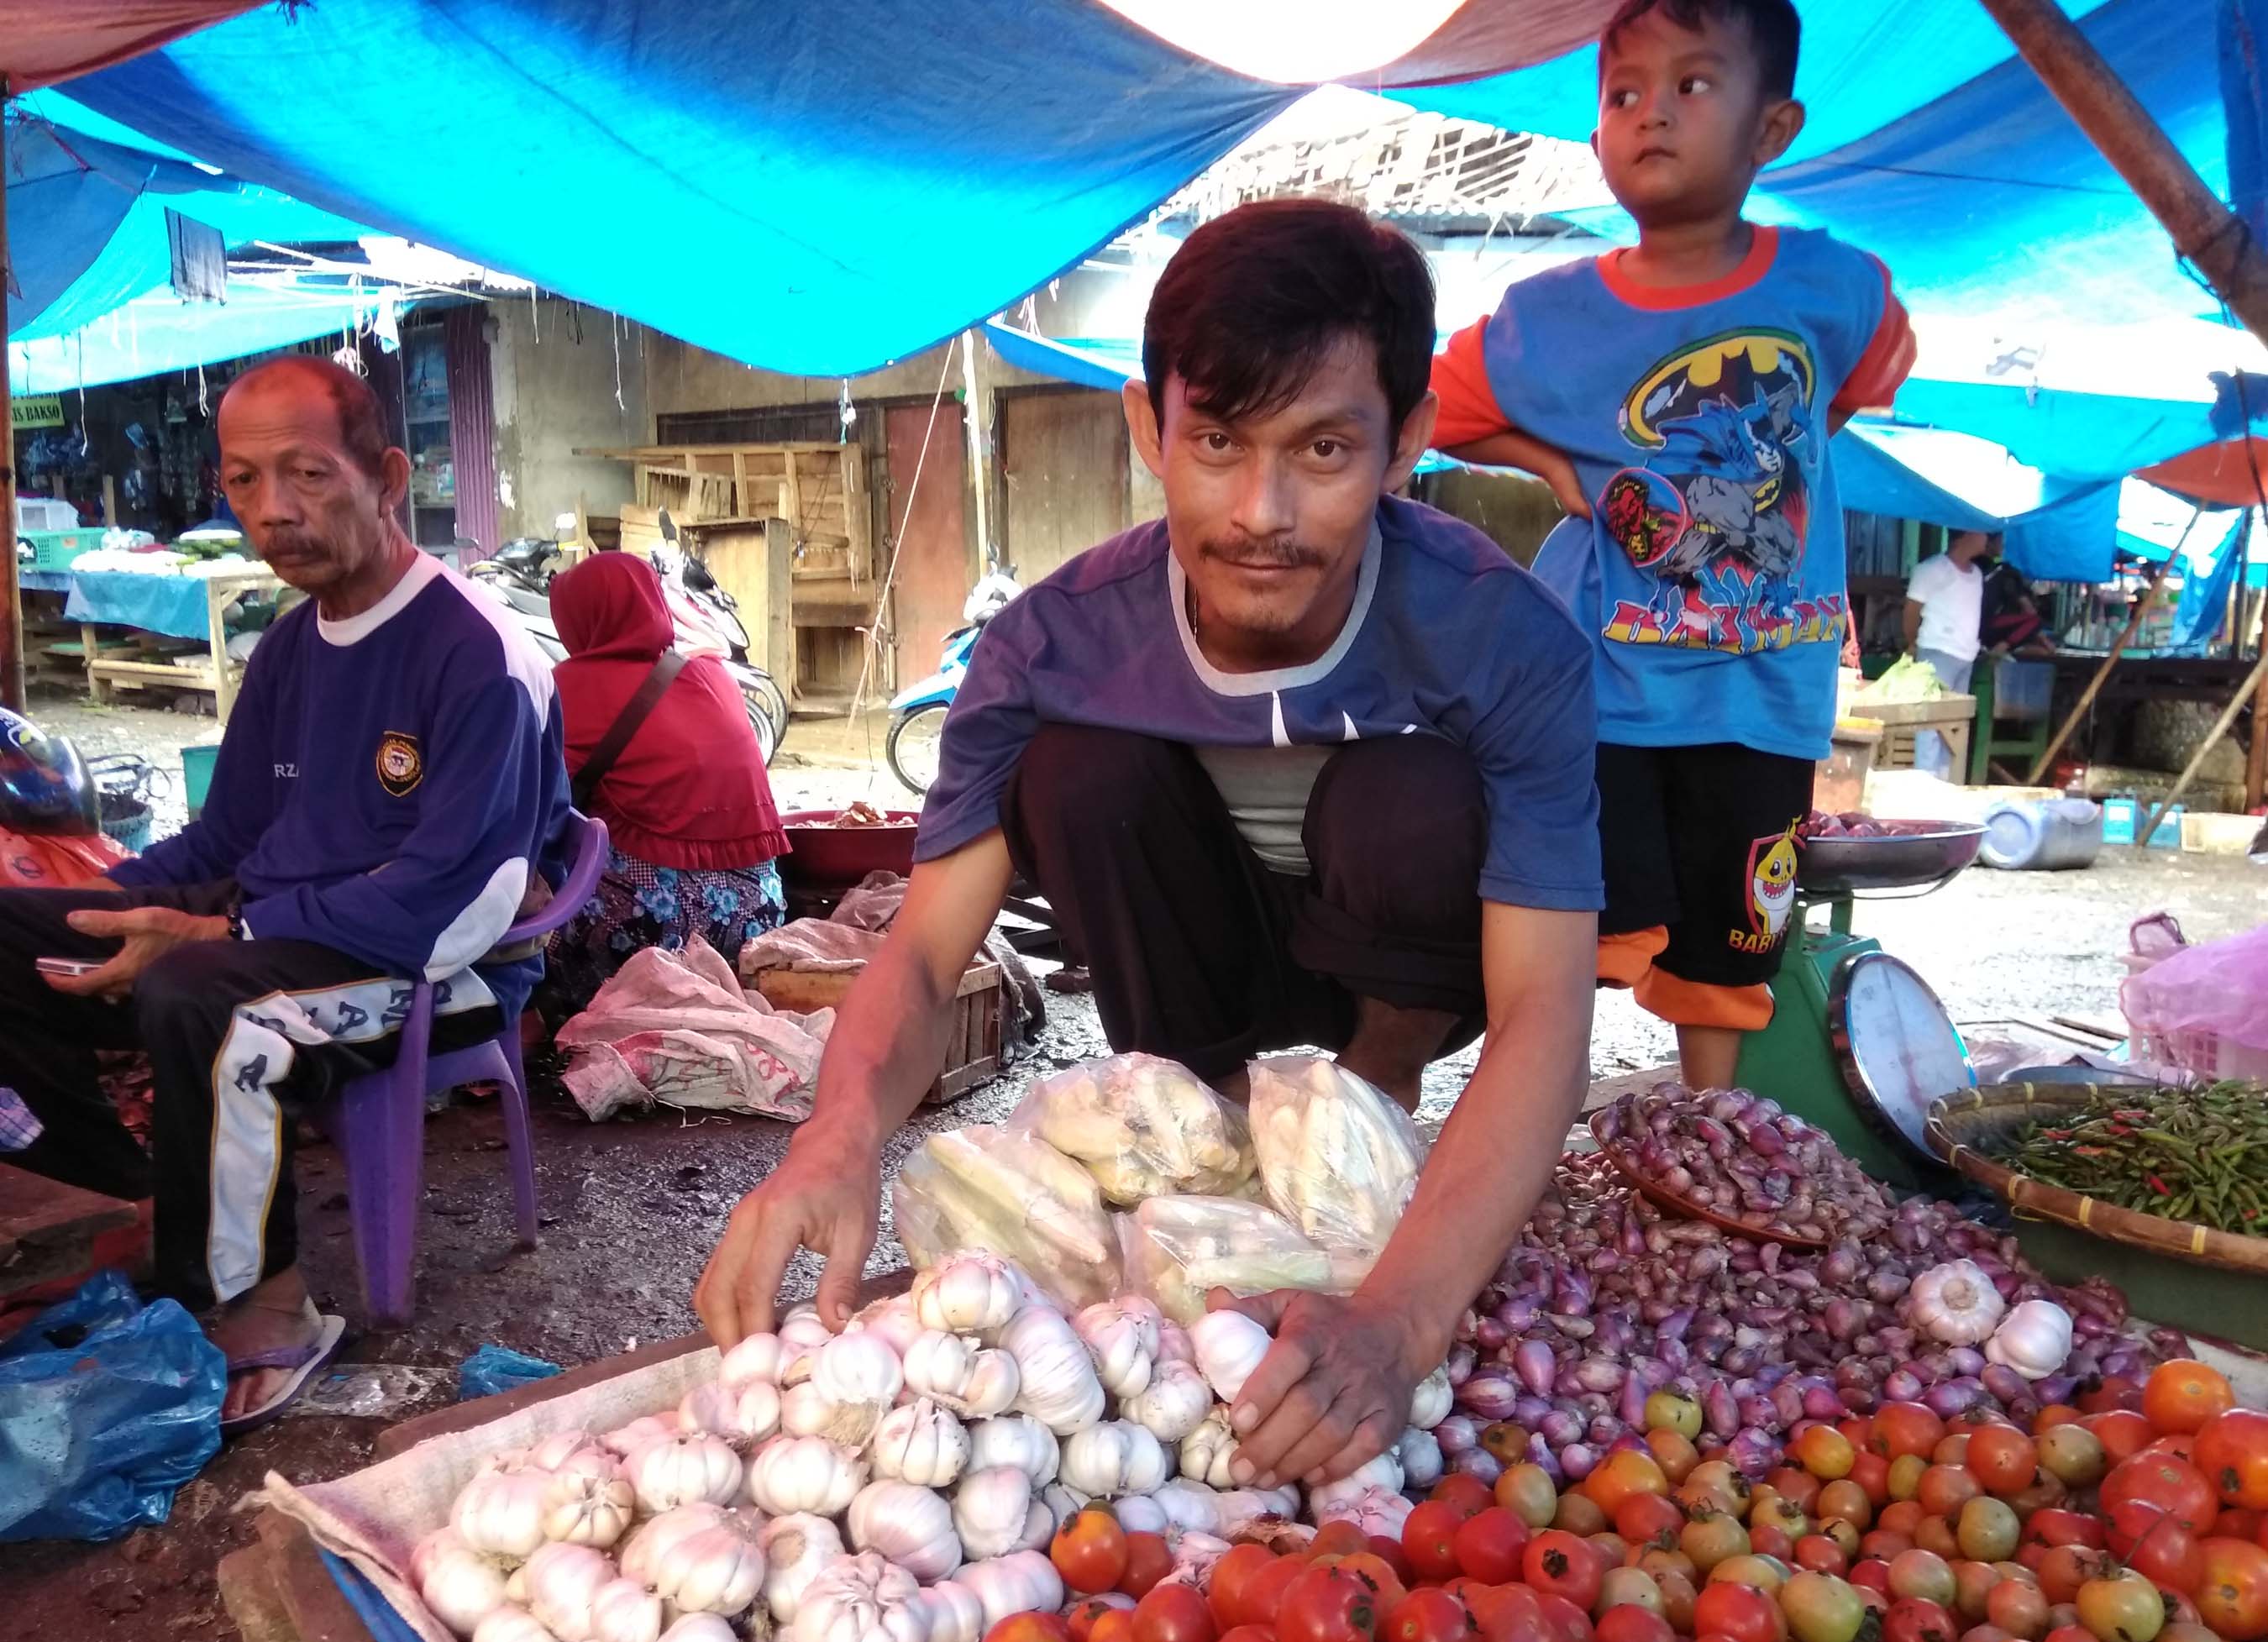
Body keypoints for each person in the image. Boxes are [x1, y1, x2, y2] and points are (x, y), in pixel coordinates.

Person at [697, 198, 1604, 1492]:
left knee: (1406, 794)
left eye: (1326, 449)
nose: (1260, 511)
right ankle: (1205, 1140)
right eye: (1217, 442)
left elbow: (1544, 1017)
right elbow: (919, 953)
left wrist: (1401, 1322)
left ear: (1409, 443)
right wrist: (834, 1137)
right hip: (1201, 980)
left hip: (1393, 981)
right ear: (1148, 429)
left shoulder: (1505, 640)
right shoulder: (1048, 646)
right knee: (1081, 767)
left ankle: (1367, 1128)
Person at [0, 354, 570, 1430]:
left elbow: (458, 901)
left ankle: (265, 1310)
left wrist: (224, 927)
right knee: (19, 934)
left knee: (206, 1001)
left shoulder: (477, 654)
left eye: (306, 475)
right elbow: (229, 834)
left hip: (435, 966)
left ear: (387, 475)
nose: (273, 512)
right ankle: (140, 1194)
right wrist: (113, 899)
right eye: (246, 482)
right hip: (272, 936)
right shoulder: (289, 650)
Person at [1428, 0, 1916, 1089]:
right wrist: (1552, 465)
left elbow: (1876, 365)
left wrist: (1786, 459)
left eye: (1693, 85)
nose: (1653, 115)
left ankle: (1710, 1121)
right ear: (1597, 134)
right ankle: (1547, 1114)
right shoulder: (1550, 319)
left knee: (1734, 939)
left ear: (1770, 128)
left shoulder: (1833, 286)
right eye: (1624, 93)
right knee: (1585, 923)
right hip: (1611, 691)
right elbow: (1429, 403)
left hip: (1769, 695)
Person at [541, 550, 790, 1017]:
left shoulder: (568, 687)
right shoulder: (715, 673)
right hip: (757, 922)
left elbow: (534, 804)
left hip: (647, 936)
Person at [1903, 529, 1998, 774]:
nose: (1986, 537)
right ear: (1966, 535)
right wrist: (1912, 643)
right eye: (1982, 533)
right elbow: (1911, 612)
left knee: (1954, 724)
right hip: (1936, 652)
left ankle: (1946, 779)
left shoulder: (1976, 574)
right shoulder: (1931, 570)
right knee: (1931, 721)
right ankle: (1925, 779)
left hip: (1966, 656)